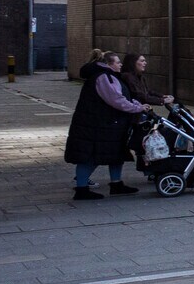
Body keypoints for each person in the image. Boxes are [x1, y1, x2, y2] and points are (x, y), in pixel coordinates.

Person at [64, 52, 155, 200]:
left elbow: (122, 97)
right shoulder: (103, 77)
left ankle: (116, 183)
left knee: (116, 154)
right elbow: (116, 100)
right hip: (97, 126)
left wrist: (136, 104)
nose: (120, 64)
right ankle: (81, 189)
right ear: (108, 64)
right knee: (91, 157)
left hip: (107, 124)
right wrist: (137, 108)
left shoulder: (108, 75)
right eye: (117, 62)